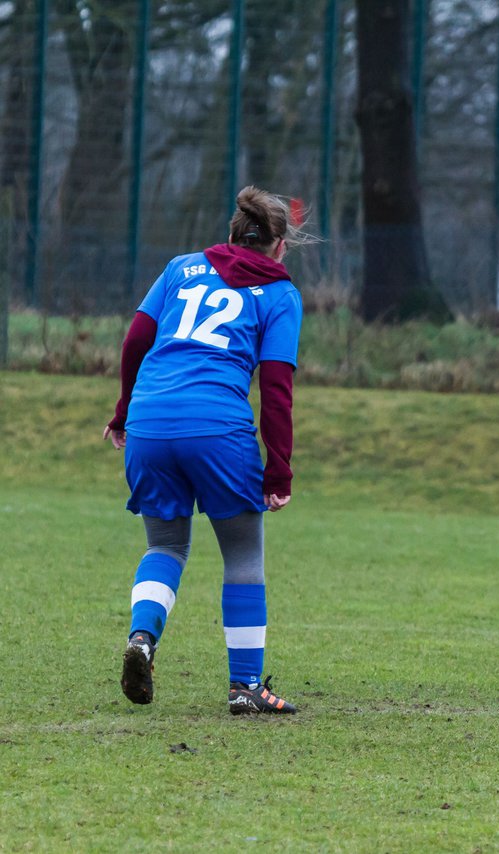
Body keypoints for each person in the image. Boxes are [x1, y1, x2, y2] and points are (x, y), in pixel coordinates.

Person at [104, 185, 309, 715]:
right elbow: (277, 389)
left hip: (151, 421)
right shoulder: (281, 293)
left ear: (231, 234)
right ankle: (245, 687)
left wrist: (125, 411)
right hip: (217, 426)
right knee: (242, 554)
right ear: (280, 246)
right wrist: (279, 472)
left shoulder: (180, 268)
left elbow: (134, 342)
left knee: (165, 547)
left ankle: (143, 640)